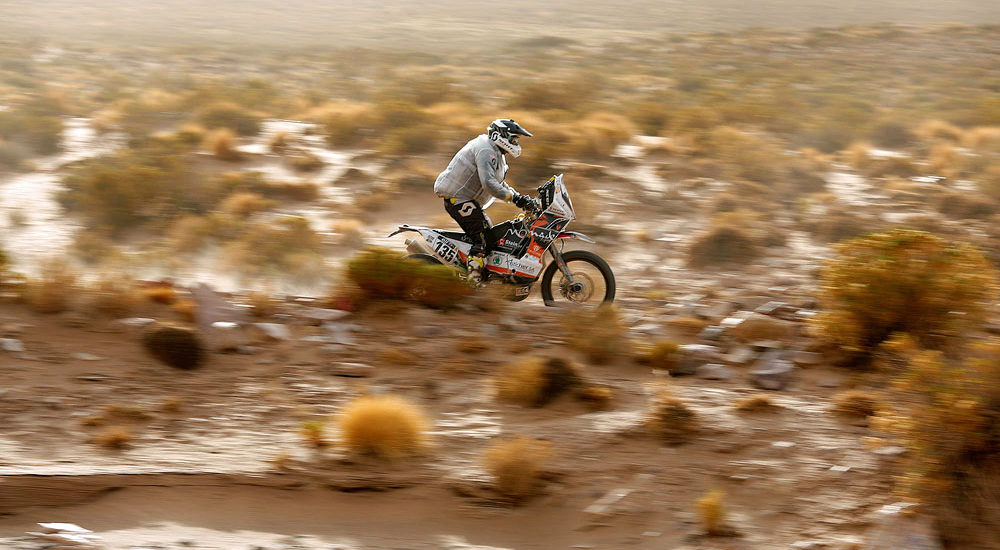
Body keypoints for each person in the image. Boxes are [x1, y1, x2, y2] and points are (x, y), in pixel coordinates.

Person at [433, 118, 537, 281]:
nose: (516, 143)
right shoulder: (485, 150)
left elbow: (499, 183)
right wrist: (516, 199)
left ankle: (480, 274)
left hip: (467, 201)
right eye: (513, 139)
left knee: (491, 238)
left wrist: (520, 198)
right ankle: (473, 280)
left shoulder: (495, 152)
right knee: (482, 240)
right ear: (501, 135)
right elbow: (488, 183)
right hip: (458, 199)